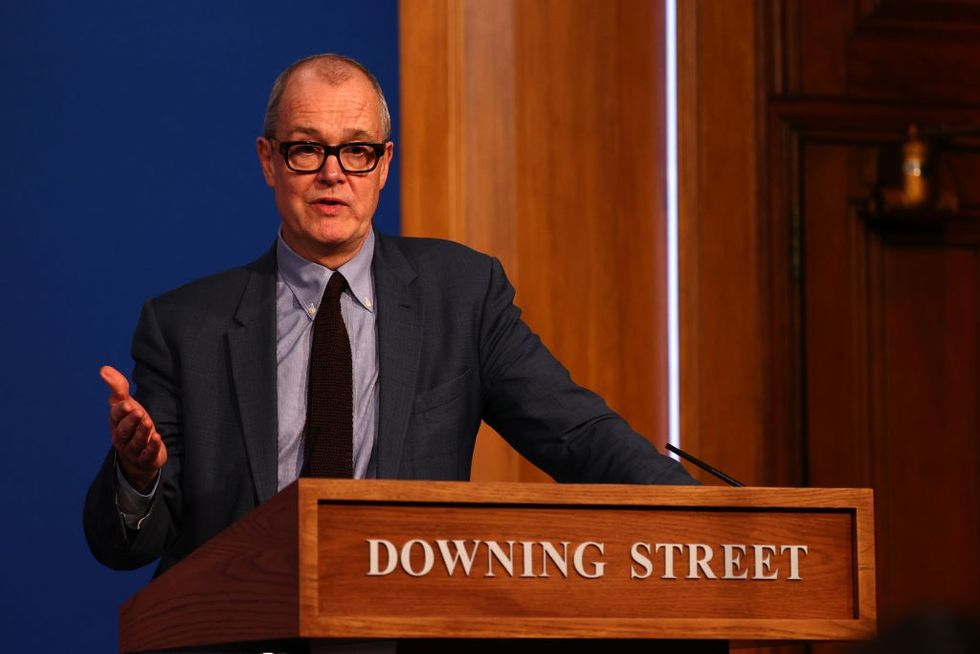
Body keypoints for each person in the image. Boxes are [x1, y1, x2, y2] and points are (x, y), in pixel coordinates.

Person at [84, 54, 695, 575]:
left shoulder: (462, 294)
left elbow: (578, 437)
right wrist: (138, 476)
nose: (333, 174)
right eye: (306, 150)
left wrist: (718, 524)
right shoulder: (184, 327)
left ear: (383, 164)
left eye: (356, 150)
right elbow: (128, 546)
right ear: (269, 160)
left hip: (401, 626)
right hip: (246, 629)